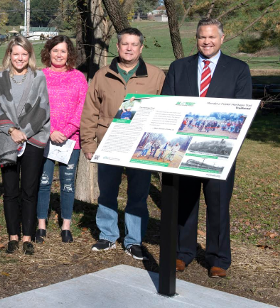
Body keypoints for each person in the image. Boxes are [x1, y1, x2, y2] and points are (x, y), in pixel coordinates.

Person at [161, 18, 252, 278]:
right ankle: (183, 252)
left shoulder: (238, 69)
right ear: (196, 39)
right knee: (185, 202)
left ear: (222, 38)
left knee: (218, 204)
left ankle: (218, 258)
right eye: (202, 37)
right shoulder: (180, 67)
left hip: (220, 150)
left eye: (212, 37)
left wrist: (230, 146)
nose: (207, 41)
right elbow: (168, 105)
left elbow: (245, 112)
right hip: (184, 149)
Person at [80, 28, 165, 260]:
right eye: (125, 44)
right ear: (117, 47)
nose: (129, 48)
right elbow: (90, 112)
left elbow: (165, 112)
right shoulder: (102, 75)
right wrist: (88, 144)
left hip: (141, 145)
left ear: (141, 47)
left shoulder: (156, 76)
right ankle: (107, 235)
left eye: (134, 44)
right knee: (107, 192)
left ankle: (133, 240)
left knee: (138, 194)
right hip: (108, 143)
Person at [0, 36, 50, 255]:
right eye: (16, 53)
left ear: (29, 55)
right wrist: (12, 131)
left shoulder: (38, 78)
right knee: (10, 190)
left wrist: (25, 132)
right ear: (9, 55)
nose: (20, 58)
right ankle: (13, 235)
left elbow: (43, 108)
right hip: (7, 139)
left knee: (29, 190)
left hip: (32, 139)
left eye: (24, 54)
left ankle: (28, 237)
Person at [35, 35, 87, 244]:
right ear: (48, 52)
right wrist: (50, 131)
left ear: (69, 54)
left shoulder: (78, 77)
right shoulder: (39, 76)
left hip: (70, 140)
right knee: (44, 182)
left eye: (63, 51)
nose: (58, 54)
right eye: (55, 50)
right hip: (44, 137)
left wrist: (67, 131)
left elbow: (82, 108)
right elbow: (34, 107)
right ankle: (41, 225)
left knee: (67, 184)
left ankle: (66, 225)